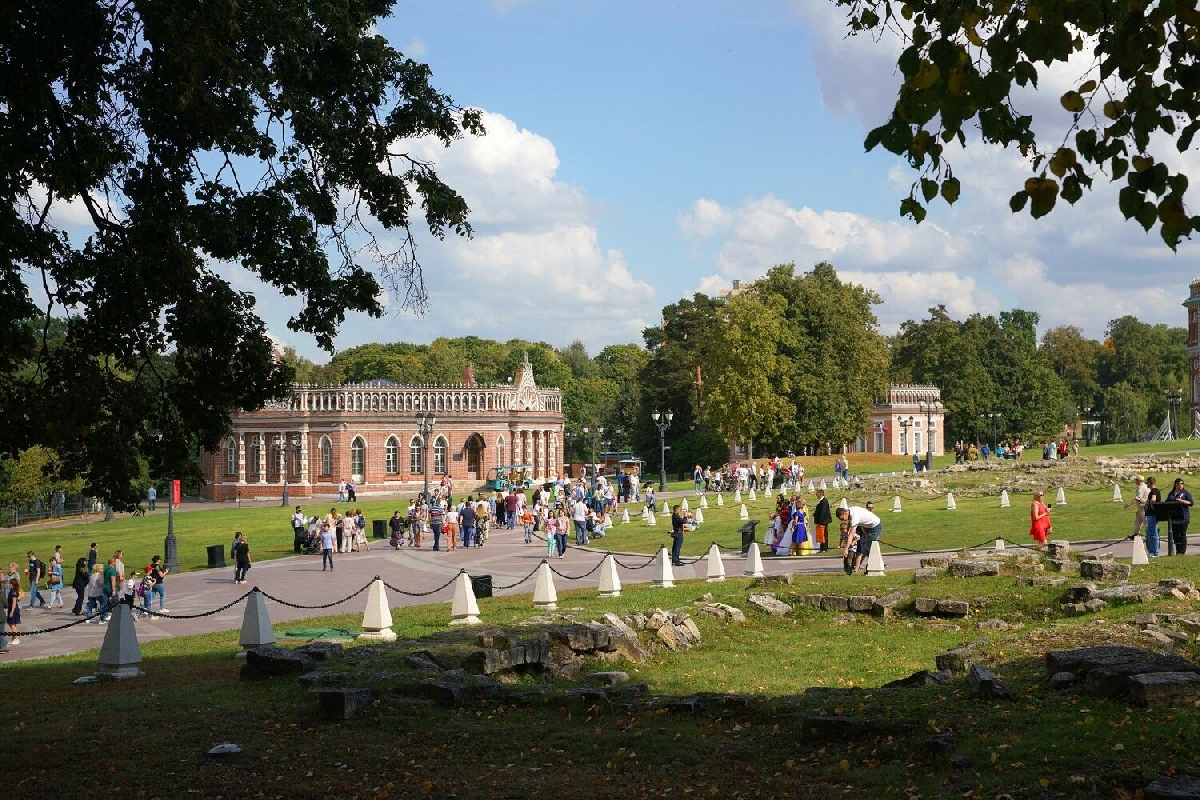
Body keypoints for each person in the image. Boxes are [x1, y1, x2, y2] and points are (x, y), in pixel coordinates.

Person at [835, 504, 882, 573]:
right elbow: (849, 523)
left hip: (875, 526)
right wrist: (848, 529)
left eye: (842, 518)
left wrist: (846, 548)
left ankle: (876, 566)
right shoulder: (850, 510)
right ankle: (867, 566)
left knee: (870, 548)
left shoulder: (855, 517)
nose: (842, 520)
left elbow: (851, 534)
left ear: (845, 513)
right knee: (866, 549)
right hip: (868, 527)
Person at [1167, 477, 1192, 556]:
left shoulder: (1185, 493)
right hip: (1174, 518)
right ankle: (1178, 551)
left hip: (1183, 517)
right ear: (1175, 484)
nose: (1180, 485)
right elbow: (1167, 502)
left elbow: (1191, 503)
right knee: (1175, 535)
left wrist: (1181, 501)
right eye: (1178, 484)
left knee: (1182, 534)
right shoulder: (1171, 493)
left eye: (1182, 483)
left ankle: (1182, 551)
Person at [1144, 477, 1161, 558]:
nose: (1146, 484)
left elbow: (1153, 499)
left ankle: (1154, 552)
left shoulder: (1154, 491)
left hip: (1153, 515)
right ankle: (1152, 551)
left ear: (1150, 483)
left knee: (1152, 533)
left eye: (1147, 483)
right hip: (1152, 515)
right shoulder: (1155, 491)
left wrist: (1151, 505)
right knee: (1151, 533)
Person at [813, 488, 833, 552]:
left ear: (820, 494)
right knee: (822, 534)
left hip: (823, 521)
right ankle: (822, 547)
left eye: (817, 494)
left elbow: (823, 512)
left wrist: (820, 522)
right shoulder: (822, 501)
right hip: (822, 521)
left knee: (823, 534)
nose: (816, 495)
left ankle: (824, 548)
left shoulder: (824, 501)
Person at [6, 577, 21, 645]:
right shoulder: (11, 591)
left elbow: (14, 603)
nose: (9, 585)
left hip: (13, 610)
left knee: (12, 624)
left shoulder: (14, 592)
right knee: (10, 624)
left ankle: (17, 638)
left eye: (10, 584)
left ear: (13, 584)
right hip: (10, 609)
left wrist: (12, 612)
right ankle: (13, 638)